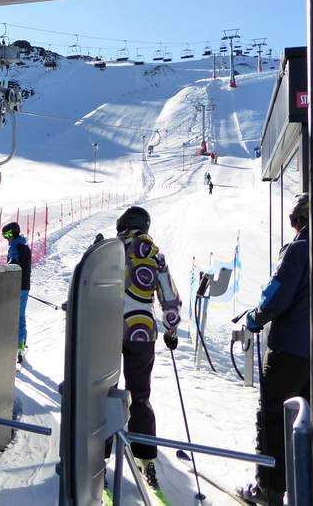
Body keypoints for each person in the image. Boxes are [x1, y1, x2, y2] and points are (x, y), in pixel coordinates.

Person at [237, 193, 312, 506]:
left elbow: (276, 295)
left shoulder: (299, 250)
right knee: (307, 420)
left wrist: (254, 318)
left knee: (272, 417)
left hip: (287, 353)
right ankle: (307, 485)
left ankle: (268, 489)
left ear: (299, 221)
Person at [107, 206, 182, 498]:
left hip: (109, 330)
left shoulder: (111, 250)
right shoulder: (155, 255)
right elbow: (170, 298)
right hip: (142, 331)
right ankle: (145, 457)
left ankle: (98, 454)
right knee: (140, 395)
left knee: (105, 392)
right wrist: (171, 331)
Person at [1, 222, 32, 364]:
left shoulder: (15, 247)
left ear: (13, 233)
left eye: (7, 235)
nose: (6, 238)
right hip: (24, 286)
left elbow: (14, 266)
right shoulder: (25, 246)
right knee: (20, 316)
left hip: (16, 286)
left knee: (13, 316)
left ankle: (16, 345)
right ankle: (21, 343)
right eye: (4, 235)